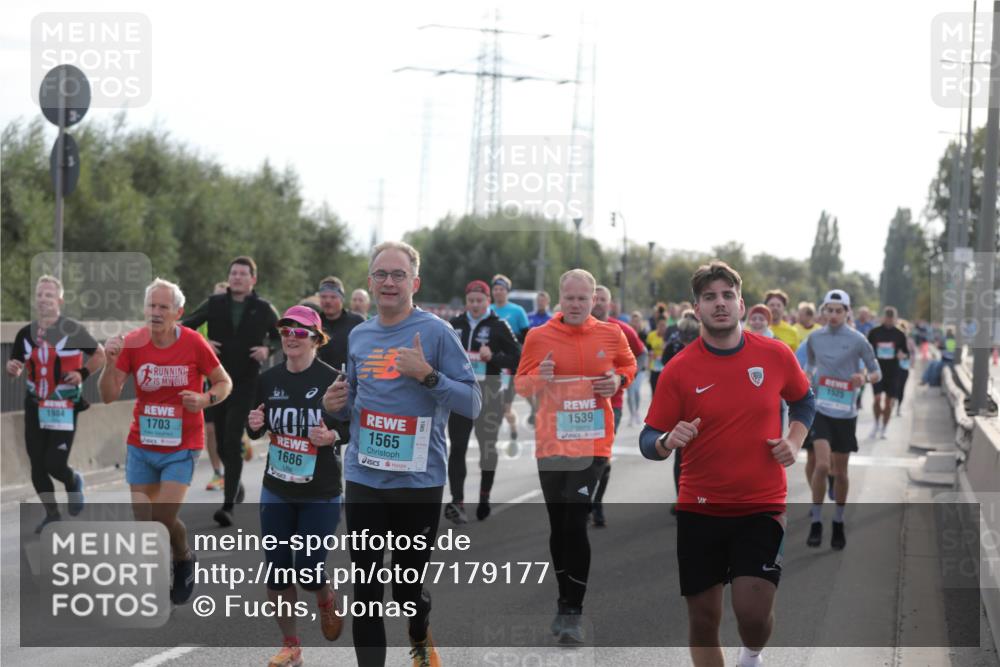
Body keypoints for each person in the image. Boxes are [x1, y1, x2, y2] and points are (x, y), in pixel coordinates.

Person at [640, 260, 815, 667]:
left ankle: (751, 655)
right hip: (700, 508)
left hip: (761, 505)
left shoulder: (774, 354)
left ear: (741, 304)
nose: (719, 303)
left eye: (727, 295)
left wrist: (794, 440)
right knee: (704, 619)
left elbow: (804, 400)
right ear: (696, 308)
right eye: (709, 297)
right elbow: (649, 439)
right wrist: (667, 441)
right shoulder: (679, 369)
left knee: (753, 616)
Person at [323, 240, 481, 667]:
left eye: (398, 275)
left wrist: (428, 376)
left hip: (418, 482)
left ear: (415, 283)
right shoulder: (359, 335)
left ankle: (418, 629)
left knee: (406, 590)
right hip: (365, 478)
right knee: (367, 591)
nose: (389, 282)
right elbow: (353, 401)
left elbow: (472, 403)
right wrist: (333, 404)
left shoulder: (437, 333)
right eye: (381, 274)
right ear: (370, 281)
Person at [514, 269, 636, 644]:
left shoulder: (611, 334)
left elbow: (629, 365)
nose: (576, 304)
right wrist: (541, 377)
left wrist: (618, 380)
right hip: (552, 444)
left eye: (583, 298)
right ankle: (564, 599)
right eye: (570, 298)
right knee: (559, 526)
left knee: (576, 521)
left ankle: (573, 611)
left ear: (594, 299)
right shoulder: (538, 337)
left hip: (593, 444)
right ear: (559, 298)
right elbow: (521, 385)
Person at [100, 278, 232, 605]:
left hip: (182, 444)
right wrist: (109, 362)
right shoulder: (132, 343)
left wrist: (205, 399)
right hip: (142, 445)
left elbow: (224, 382)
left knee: (162, 515)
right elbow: (108, 395)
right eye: (151, 306)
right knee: (145, 520)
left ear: (178, 312)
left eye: (163, 307)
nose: (156, 312)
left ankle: (183, 557)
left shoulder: (193, 342)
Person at [246, 305, 350, 667]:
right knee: (277, 571)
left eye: (300, 332)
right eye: (286, 331)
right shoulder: (268, 379)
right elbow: (256, 426)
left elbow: (352, 426)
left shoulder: (334, 380)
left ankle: (325, 598)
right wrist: (254, 425)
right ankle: (291, 645)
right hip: (277, 487)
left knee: (307, 570)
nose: (291, 337)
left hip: (320, 491)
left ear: (316, 339)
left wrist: (332, 436)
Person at [182, 256, 280, 527]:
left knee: (233, 438)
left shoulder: (263, 308)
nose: (237, 277)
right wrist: (203, 341)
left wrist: (268, 349)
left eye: (243, 274)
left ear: (253, 279)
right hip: (217, 381)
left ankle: (228, 506)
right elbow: (186, 324)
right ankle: (235, 485)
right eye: (234, 273)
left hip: (246, 382)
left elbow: (281, 334)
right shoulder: (214, 303)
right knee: (223, 443)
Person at [7, 275, 106, 532]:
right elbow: (14, 366)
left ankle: (73, 481)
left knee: (54, 463)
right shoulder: (25, 334)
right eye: (40, 295)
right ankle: (52, 515)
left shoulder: (72, 330)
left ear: (59, 301)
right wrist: (12, 368)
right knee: (37, 466)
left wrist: (82, 373)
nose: (43, 299)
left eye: (49, 295)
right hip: (35, 405)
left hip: (64, 406)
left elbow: (100, 354)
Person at [802, 290, 881, 551]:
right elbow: (809, 366)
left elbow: (876, 372)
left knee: (841, 472)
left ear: (848, 312)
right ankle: (816, 521)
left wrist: (863, 378)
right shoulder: (815, 338)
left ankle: (838, 520)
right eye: (830, 310)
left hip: (846, 413)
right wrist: (807, 377)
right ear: (823, 311)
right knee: (822, 465)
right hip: (821, 409)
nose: (834, 315)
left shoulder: (858, 340)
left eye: (839, 311)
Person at [445, 280, 521, 524]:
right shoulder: (455, 324)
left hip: (489, 393)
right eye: (471, 301)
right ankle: (457, 502)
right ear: (466, 302)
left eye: (480, 301)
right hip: (460, 394)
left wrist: (494, 357)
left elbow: (518, 358)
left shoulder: (499, 326)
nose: (475, 305)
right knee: (457, 448)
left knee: (487, 448)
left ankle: (484, 496)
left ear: (488, 301)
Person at [589, 285, 644, 527]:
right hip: (579, 404)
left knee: (601, 456)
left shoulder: (621, 329)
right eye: (596, 299)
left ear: (610, 304)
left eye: (603, 299)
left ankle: (596, 503)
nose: (599, 303)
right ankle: (582, 501)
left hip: (613, 404)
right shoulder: (576, 328)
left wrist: (624, 378)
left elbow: (640, 355)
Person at [659, 315, 701, 515]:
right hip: (681, 406)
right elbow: (665, 373)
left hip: (698, 405)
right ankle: (682, 498)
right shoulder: (673, 347)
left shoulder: (705, 348)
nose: (687, 339)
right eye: (684, 335)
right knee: (681, 453)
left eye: (691, 335)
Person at [490, 274, 531, 442]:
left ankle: (513, 428)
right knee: (493, 405)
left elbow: (527, 337)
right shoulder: (488, 309)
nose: (498, 292)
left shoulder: (517, 311)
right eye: (495, 289)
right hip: (492, 363)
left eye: (501, 289)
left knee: (506, 407)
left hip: (511, 365)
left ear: (507, 291)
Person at [199, 281, 229, 492]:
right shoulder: (204, 319)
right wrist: (205, 344)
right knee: (210, 429)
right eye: (216, 297)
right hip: (209, 383)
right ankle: (218, 473)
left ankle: (242, 439)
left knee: (229, 428)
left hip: (232, 382)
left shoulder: (239, 320)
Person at [866, 306, 908, 439]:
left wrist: (902, 355)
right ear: (883, 318)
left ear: (895, 319)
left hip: (893, 372)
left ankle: (884, 428)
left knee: (889, 402)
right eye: (887, 318)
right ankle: (876, 423)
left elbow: (906, 352)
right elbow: (866, 349)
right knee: (877, 399)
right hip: (877, 370)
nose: (889, 320)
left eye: (891, 318)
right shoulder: (874, 332)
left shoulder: (900, 334)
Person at [315, 276, 365, 370]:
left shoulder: (357, 322)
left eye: (333, 297)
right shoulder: (313, 323)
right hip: (318, 376)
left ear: (342, 299)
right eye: (324, 297)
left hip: (348, 377)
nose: (328, 301)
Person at [627, 310, 650, 426]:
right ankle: (632, 414)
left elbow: (647, 350)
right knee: (630, 392)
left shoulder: (644, 334)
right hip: (629, 367)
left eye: (637, 321)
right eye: (633, 321)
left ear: (640, 322)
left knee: (636, 390)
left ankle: (636, 411)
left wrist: (646, 364)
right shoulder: (627, 333)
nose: (635, 323)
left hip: (640, 368)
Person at [895, 320, 917, 417]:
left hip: (904, 367)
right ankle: (892, 404)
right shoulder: (893, 340)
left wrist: (910, 361)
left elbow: (913, 353)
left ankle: (898, 407)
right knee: (894, 387)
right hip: (894, 367)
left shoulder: (910, 341)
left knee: (901, 388)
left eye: (903, 330)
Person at [646, 317, 669, 393]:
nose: (662, 327)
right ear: (657, 326)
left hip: (665, 367)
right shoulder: (651, 335)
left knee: (664, 391)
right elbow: (648, 348)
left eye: (664, 325)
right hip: (654, 366)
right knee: (654, 390)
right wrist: (650, 352)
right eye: (660, 325)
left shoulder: (669, 337)